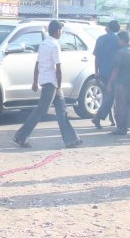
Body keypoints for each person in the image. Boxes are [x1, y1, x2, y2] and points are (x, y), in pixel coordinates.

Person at [12, 20, 82, 149]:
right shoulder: (55, 45)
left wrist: (35, 81)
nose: (61, 32)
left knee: (62, 111)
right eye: (61, 30)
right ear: (57, 31)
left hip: (47, 80)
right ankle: (20, 136)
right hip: (52, 82)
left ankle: (72, 139)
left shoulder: (44, 43)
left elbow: (37, 64)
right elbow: (58, 67)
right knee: (42, 110)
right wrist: (59, 84)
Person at [107, 30, 130, 136]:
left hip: (122, 82)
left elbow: (116, 70)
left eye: (118, 40)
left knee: (121, 106)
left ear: (122, 40)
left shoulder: (121, 52)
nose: (118, 42)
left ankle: (122, 128)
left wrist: (109, 83)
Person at [91, 20, 120, 129]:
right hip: (115, 73)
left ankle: (112, 119)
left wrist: (96, 72)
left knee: (108, 97)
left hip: (103, 72)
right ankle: (97, 117)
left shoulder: (100, 39)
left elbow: (96, 57)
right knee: (111, 97)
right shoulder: (118, 39)